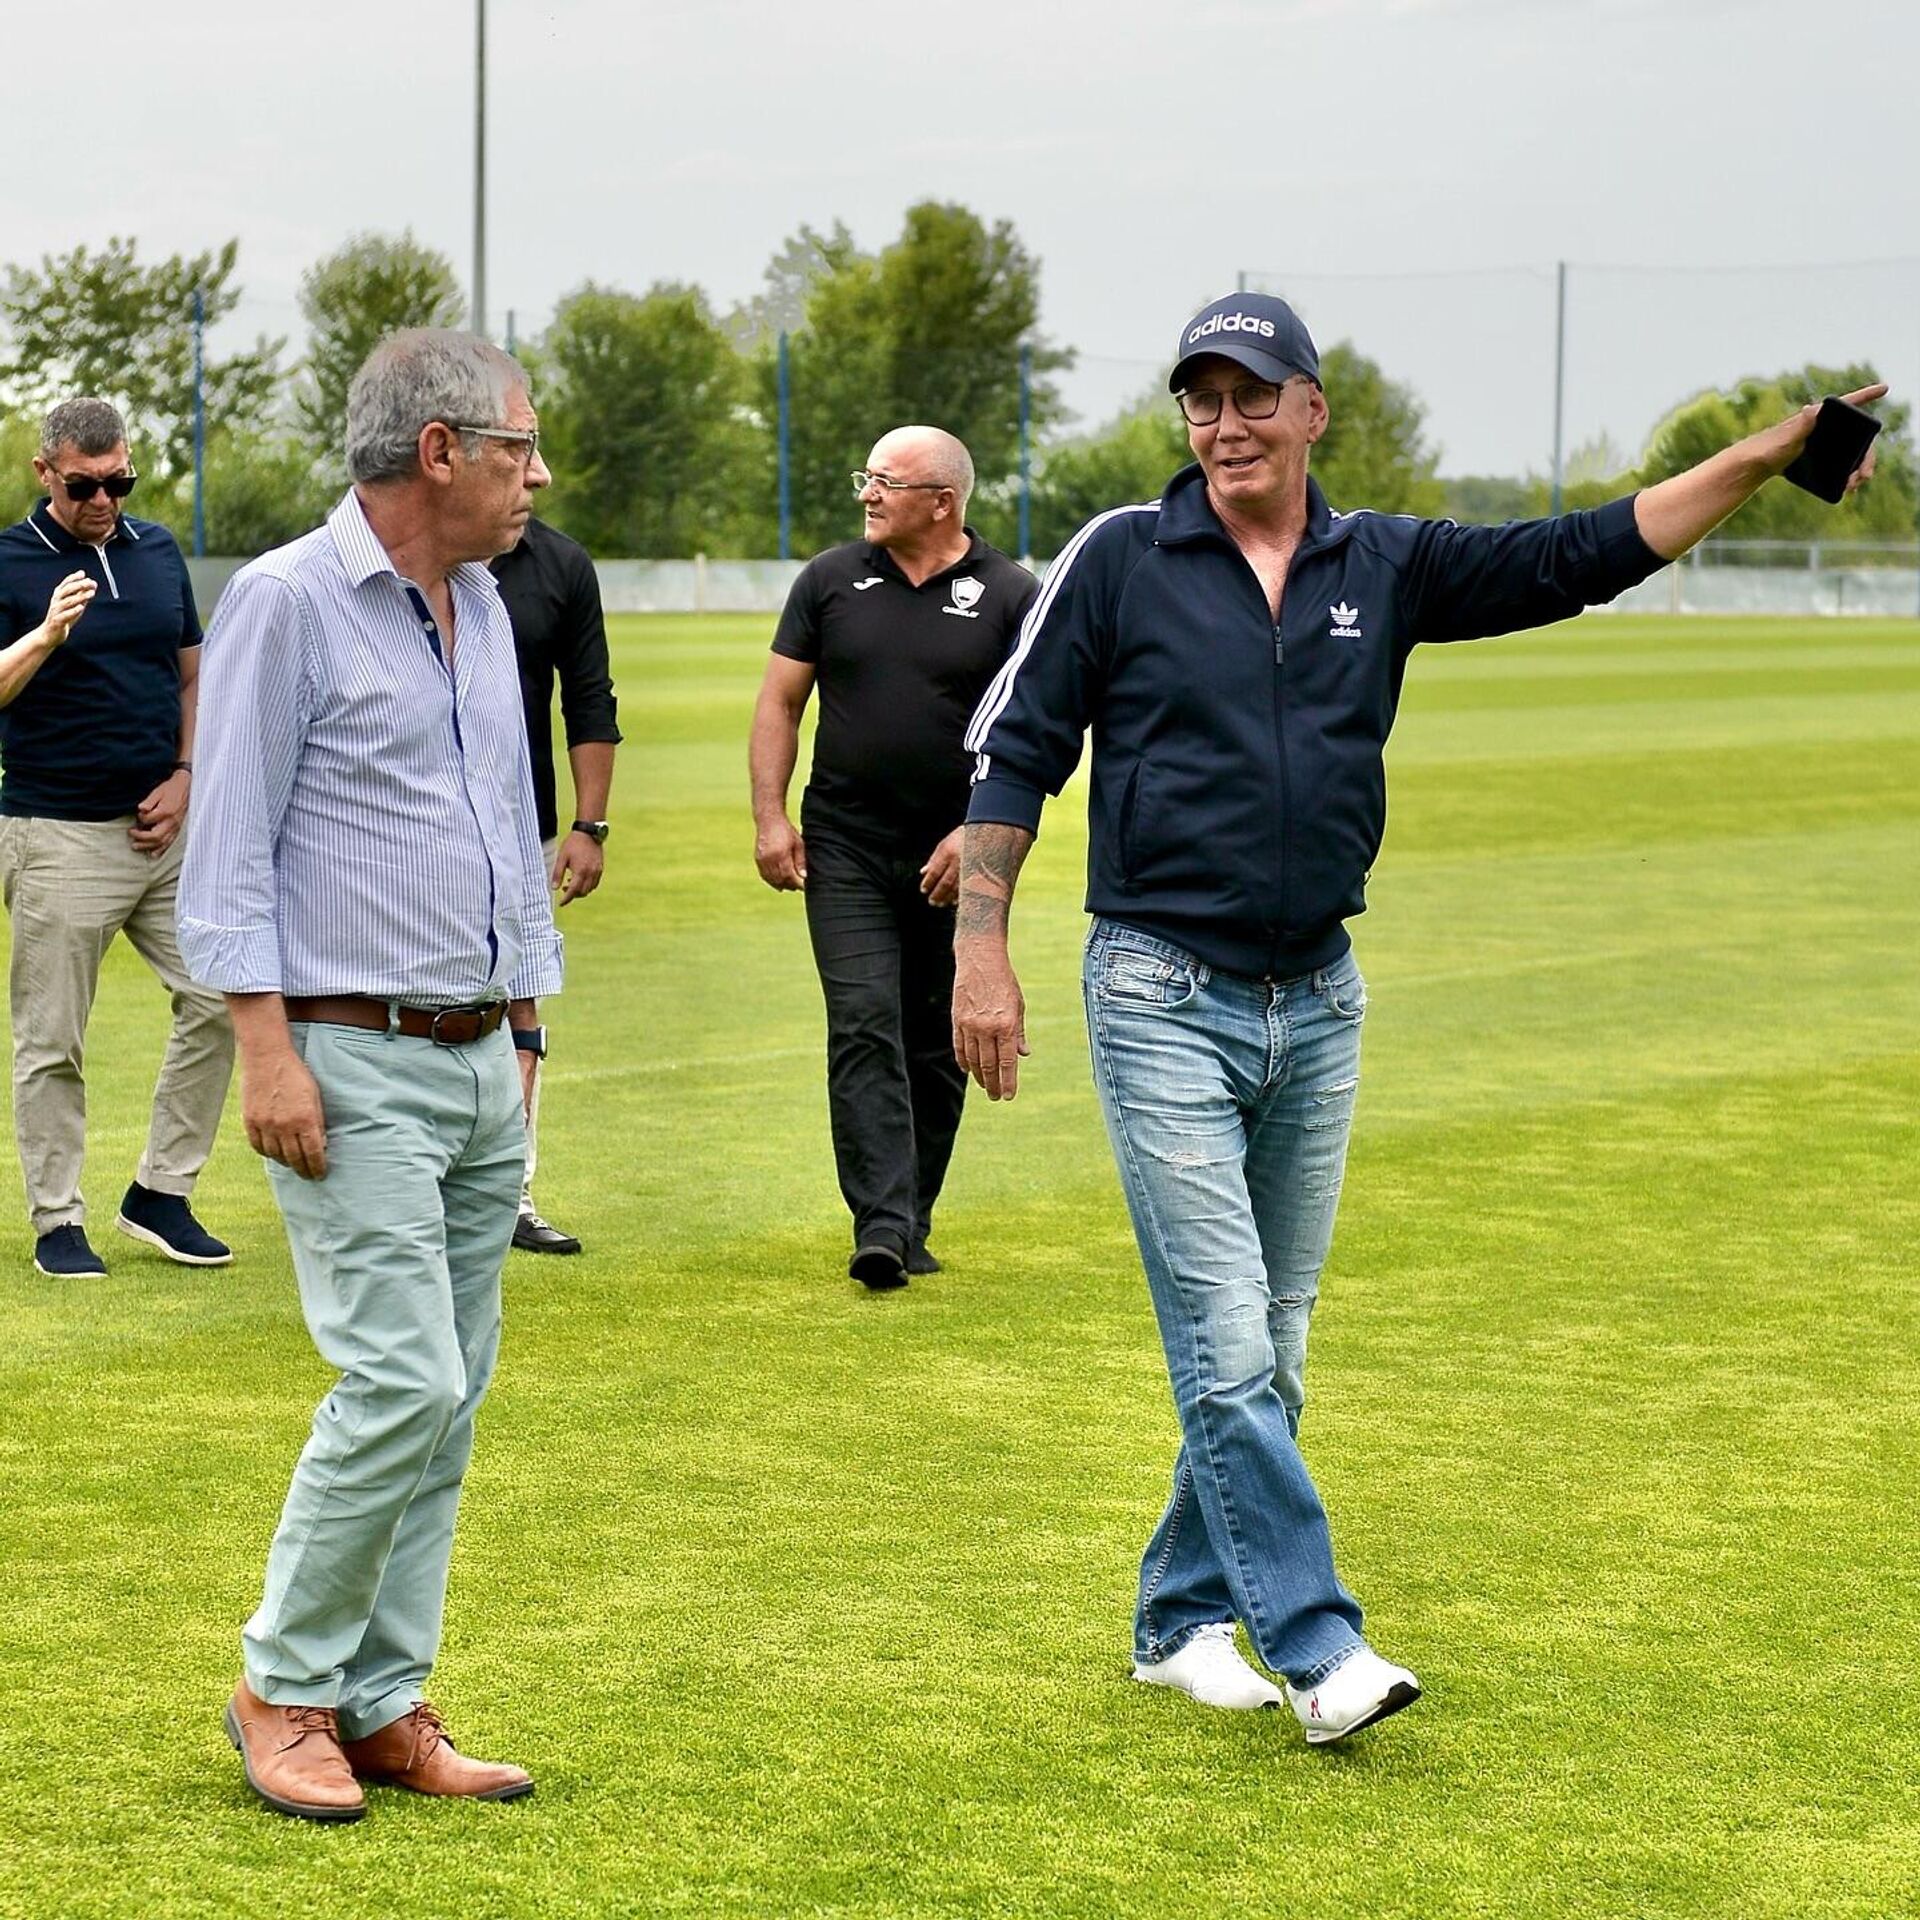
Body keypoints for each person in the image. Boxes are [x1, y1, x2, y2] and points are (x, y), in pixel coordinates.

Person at [952, 292, 1884, 1744]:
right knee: (1228, 1344)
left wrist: (1764, 455)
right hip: (1158, 992)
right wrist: (981, 951)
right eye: (1201, 399)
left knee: (1278, 1344)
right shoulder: (1125, 558)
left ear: (1313, 409)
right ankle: (1319, 1652)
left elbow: (1583, 555)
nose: (1225, 423)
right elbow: (1017, 754)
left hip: (1317, 995)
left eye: (1253, 394)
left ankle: (1182, 1618)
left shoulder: (1379, 563)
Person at [179, 330, 562, 1822]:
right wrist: (266, 1052)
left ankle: (384, 1700)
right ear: (440, 450)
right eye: (520, 447)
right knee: (400, 1374)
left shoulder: (483, 608)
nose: (537, 476)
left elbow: (504, 832)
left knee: (450, 1399)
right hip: (345, 1054)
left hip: (476, 1056)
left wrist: (526, 1031)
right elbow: (228, 856)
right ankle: (281, 1687)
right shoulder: (285, 602)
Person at [751, 427, 1037, 1291]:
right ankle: (879, 1226)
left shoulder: (1011, 594)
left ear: (943, 502)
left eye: (885, 481)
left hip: (957, 858)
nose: (866, 494)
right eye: (864, 476)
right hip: (844, 847)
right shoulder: (830, 581)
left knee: (935, 1039)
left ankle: (911, 1218)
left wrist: (975, 835)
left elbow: (1030, 736)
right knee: (864, 1020)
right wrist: (770, 816)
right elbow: (779, 702)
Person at [0, 398, 235, 1279]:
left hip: (165, 835)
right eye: (84, 484)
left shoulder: (158, 549)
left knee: (221, 995)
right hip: (55, 834)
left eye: (119, 481)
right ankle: (58, 1219)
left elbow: (191, 675)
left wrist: (185, 776)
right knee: (52, 1039)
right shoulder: (11, 560)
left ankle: (161, 1193)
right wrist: (48, 634)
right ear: (45, 473)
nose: (104, 499)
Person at [489, 513, 621, 1256]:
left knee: (520, 996)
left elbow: (590, 698)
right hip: (403, 831)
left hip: (525, 826)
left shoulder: (562, 564)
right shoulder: (404, 548)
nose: (530, 478)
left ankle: (511, 1193)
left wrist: (589, 826)